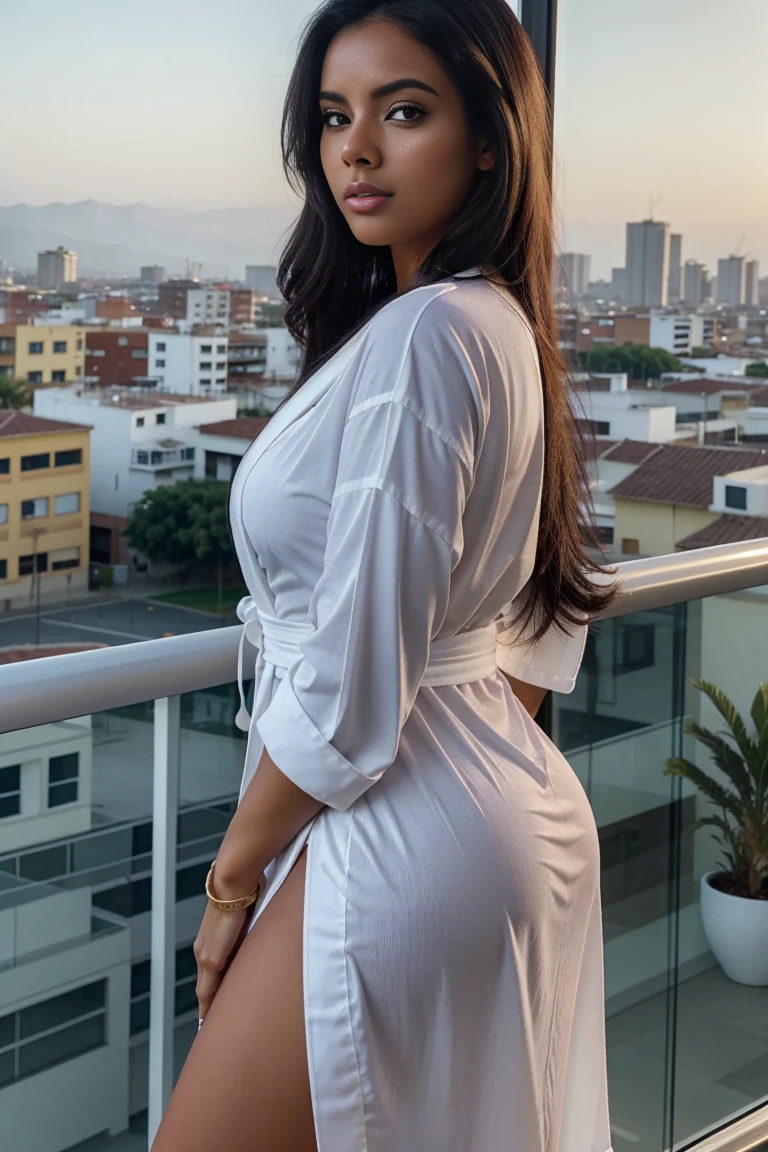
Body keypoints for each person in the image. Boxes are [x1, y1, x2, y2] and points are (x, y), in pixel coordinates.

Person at [151, 2, 618, 1149]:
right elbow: (534, 630)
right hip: (488, 808)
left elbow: (355, 690)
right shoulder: (499, 325)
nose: (355, 149)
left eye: (404, 112)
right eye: (333, 116)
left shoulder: (427, 338)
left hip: (397, 824)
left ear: (493, 138)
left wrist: (227, 894)